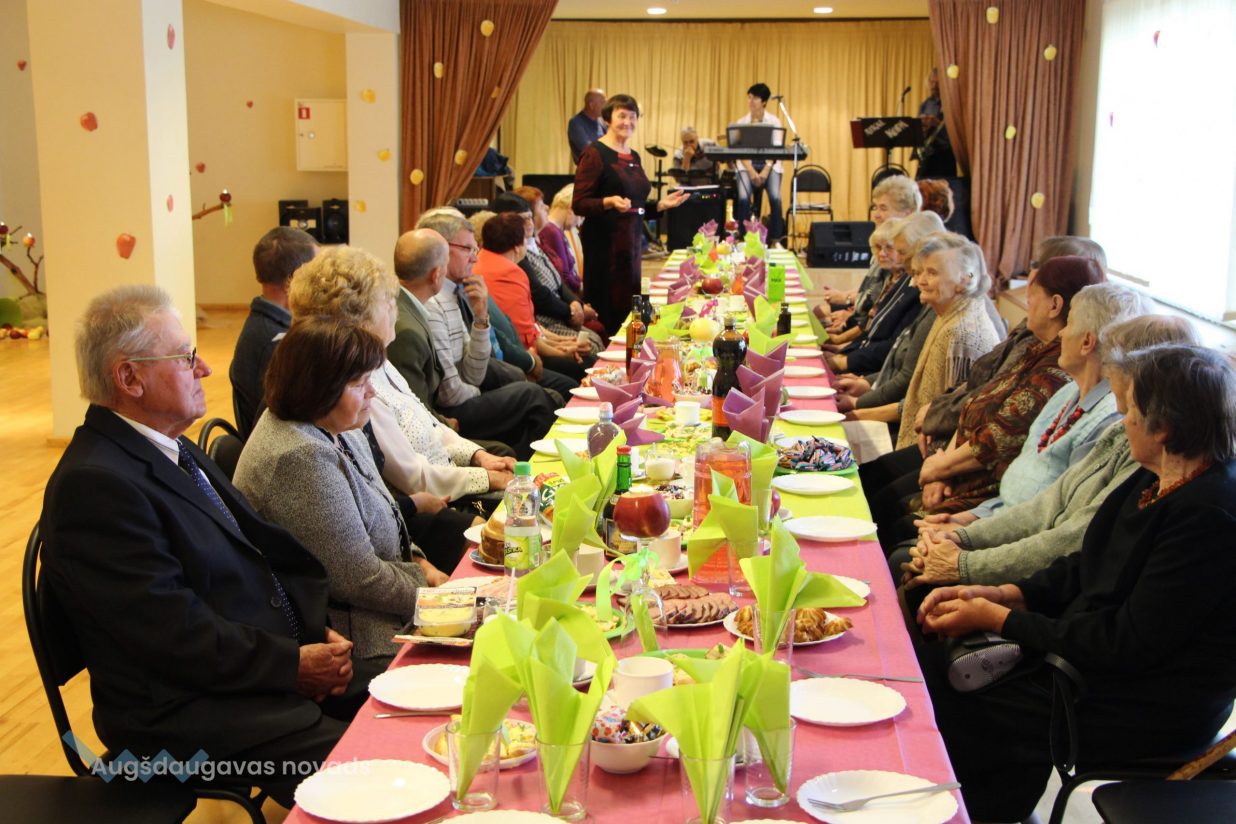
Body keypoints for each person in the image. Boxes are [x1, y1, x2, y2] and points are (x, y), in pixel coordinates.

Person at [41, 285, 365, 808]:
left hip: (242, 672)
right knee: (375, 772)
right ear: (130, 378)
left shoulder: (167, 447)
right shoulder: (95, 486)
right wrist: (292, 665)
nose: (205, 369)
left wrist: (310, 635)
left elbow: (258, 556)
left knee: (414, 697)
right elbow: (173, 636)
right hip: (180, 719)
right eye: (186, 357)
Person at [914, 344, 1236, 823]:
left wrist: (1001, 620)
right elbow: (1087, 561)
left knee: (947, 691)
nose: (1123, 421)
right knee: (937, 659)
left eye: (1131, 411)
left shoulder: (1209, 515)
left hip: (1141, 703)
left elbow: (1125, 643)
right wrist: (1006, 594)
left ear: (1163, 427)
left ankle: (969, 811)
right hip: (1093, 659)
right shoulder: (1155, 477)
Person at [898, 315, 1201, 591]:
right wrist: (963, 535)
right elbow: (1047, 503)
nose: (1107, 370)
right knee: (910, 551)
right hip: (1013, 533)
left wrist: (968, 566)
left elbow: (1070, 540)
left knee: (909, 563)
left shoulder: (1138, 451)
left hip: (1043, 569)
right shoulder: (1117, 429)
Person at [234, 318, 445, 665]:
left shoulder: (338, 424)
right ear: (320, 388)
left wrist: (422, 564)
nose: (372, 392)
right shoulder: (299, 457)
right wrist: (440, 599)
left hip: (382, 604)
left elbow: (385, 513)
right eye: (360, 383)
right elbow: (358, 579)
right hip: (355, 636)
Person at [870, 255, 1108, 552]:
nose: (919, 280)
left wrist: (942, 468)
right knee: (875, 487)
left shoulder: (1057, 371)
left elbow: (1000, 439)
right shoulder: (1034, 347)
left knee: (889, 518)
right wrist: (943, 463)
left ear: (1055, 305)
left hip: (980, 485)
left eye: (1031, 296)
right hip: (952, 459)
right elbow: (976, 398)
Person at [389, 230, 556, 461]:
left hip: (453, 402)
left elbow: (472, 372)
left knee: (542, 397)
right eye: (467, 249)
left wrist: (480, 318)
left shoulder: (422, 304)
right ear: (437, 274)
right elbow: (418, 404)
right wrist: (447, 419)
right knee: (535, 398)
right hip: (437, 422)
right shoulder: (415, 323)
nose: (475, 258)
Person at [419, 206, 578, 401]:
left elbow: (497, 336)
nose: (475, 258)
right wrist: (527, 363)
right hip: (492, 376)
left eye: (475, 248)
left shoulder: (463, 286)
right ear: (440, 250)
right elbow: (454, 388)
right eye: (468, 249)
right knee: (550, 393)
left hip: (499, 367)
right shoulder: (437, 301)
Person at [573, 94, 689, 334]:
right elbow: (579, 203)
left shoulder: (633, 155)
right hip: (604, 248)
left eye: (632, 116)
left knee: (630, 311)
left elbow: (636, 206)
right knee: (609, 311)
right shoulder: (594, 153)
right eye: (622, 116)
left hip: (631, 248)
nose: (628, 122)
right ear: (607, 119)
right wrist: (607, 202)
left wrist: (660, 206)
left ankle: (631, 352)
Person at [476, 212, 594, 384]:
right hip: (519, 361)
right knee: (586, 365)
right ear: (517, 247)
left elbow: (530, 327)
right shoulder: (511, 272)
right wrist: (562, 351)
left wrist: (560, 341)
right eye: (526, 239)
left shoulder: (482, 259)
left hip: (506, 355)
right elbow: (525, 339)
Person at [824, 212, 943, 376]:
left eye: (901, 251)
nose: (900, 259)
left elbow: (897, 355)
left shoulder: (920, 291)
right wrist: (843, 351)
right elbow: (874, 329)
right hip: (870, 369)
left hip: (872, 372)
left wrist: (845, 362)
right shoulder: (906, 279)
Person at [229, 226, 318, 439]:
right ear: (293, 280)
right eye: (317, 272)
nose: (322, 279)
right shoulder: (276, 343)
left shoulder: (270, 325)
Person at [505, 188, 607, 347]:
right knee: (592, 344)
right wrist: (572, 310)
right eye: (541, 206)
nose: (547, 207)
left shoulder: (535, 244)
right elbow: (539, 294)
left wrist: (575, 303)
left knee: (595, 338)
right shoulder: (520, 252)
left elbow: (559, 280)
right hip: (547, 319)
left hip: (560, 311)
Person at [816, 174, 922, 327]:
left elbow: (883, 302)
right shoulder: (884, 241)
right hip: (865, 314)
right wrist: (847, 300)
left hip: (874, 322)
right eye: (875, 207)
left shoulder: (902, 252)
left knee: (820, 317)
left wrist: (848, 304)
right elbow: (872, 288)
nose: (876, 215)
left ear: (908, 213)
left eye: (883, 208)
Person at [731, 82, 785, 245]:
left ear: (764, 102)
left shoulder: (774, 122)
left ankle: (776, 239)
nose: (751, 101)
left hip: (770, 166)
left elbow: (776, 150)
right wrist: (752, 171)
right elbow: (739, 151)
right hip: (747, 166)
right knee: (743, 197)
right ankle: (743, 237)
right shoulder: (742, 122)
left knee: (776, 198)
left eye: (755, 98)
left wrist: (765, 172)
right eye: (749, 97)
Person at [915, 68, 956, 179]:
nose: (934, 86)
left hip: (945, 155)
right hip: (927, 155)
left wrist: (937, 123)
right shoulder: (925, 104)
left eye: (937, 83)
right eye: (932, 82)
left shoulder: (951, 104)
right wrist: (922, 127)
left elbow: (956, 132)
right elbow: (917, 130)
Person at [568, 88, 606, 165]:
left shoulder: (602, 121)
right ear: (591, 105)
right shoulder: (576, 123)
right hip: (589, 169)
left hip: (605, 167)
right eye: (602, 102)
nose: (605, 106)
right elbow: (588, 149)